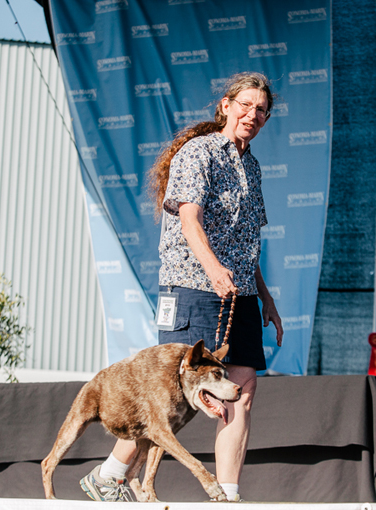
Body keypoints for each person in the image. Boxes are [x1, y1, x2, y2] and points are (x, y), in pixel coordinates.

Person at [80, 71, 284, 502]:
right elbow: (189, 219)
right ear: (226, 105)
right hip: (192, 286)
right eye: (245, 104)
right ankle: (110, 475)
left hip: (241, 293)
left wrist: (265, 297)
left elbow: (249, 244)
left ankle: (227, 495)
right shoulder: (199, 152)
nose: (253, 114)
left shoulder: (252, 165)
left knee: (240, 392)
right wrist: (212, 268)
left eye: (261, 109)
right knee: (171, 396)